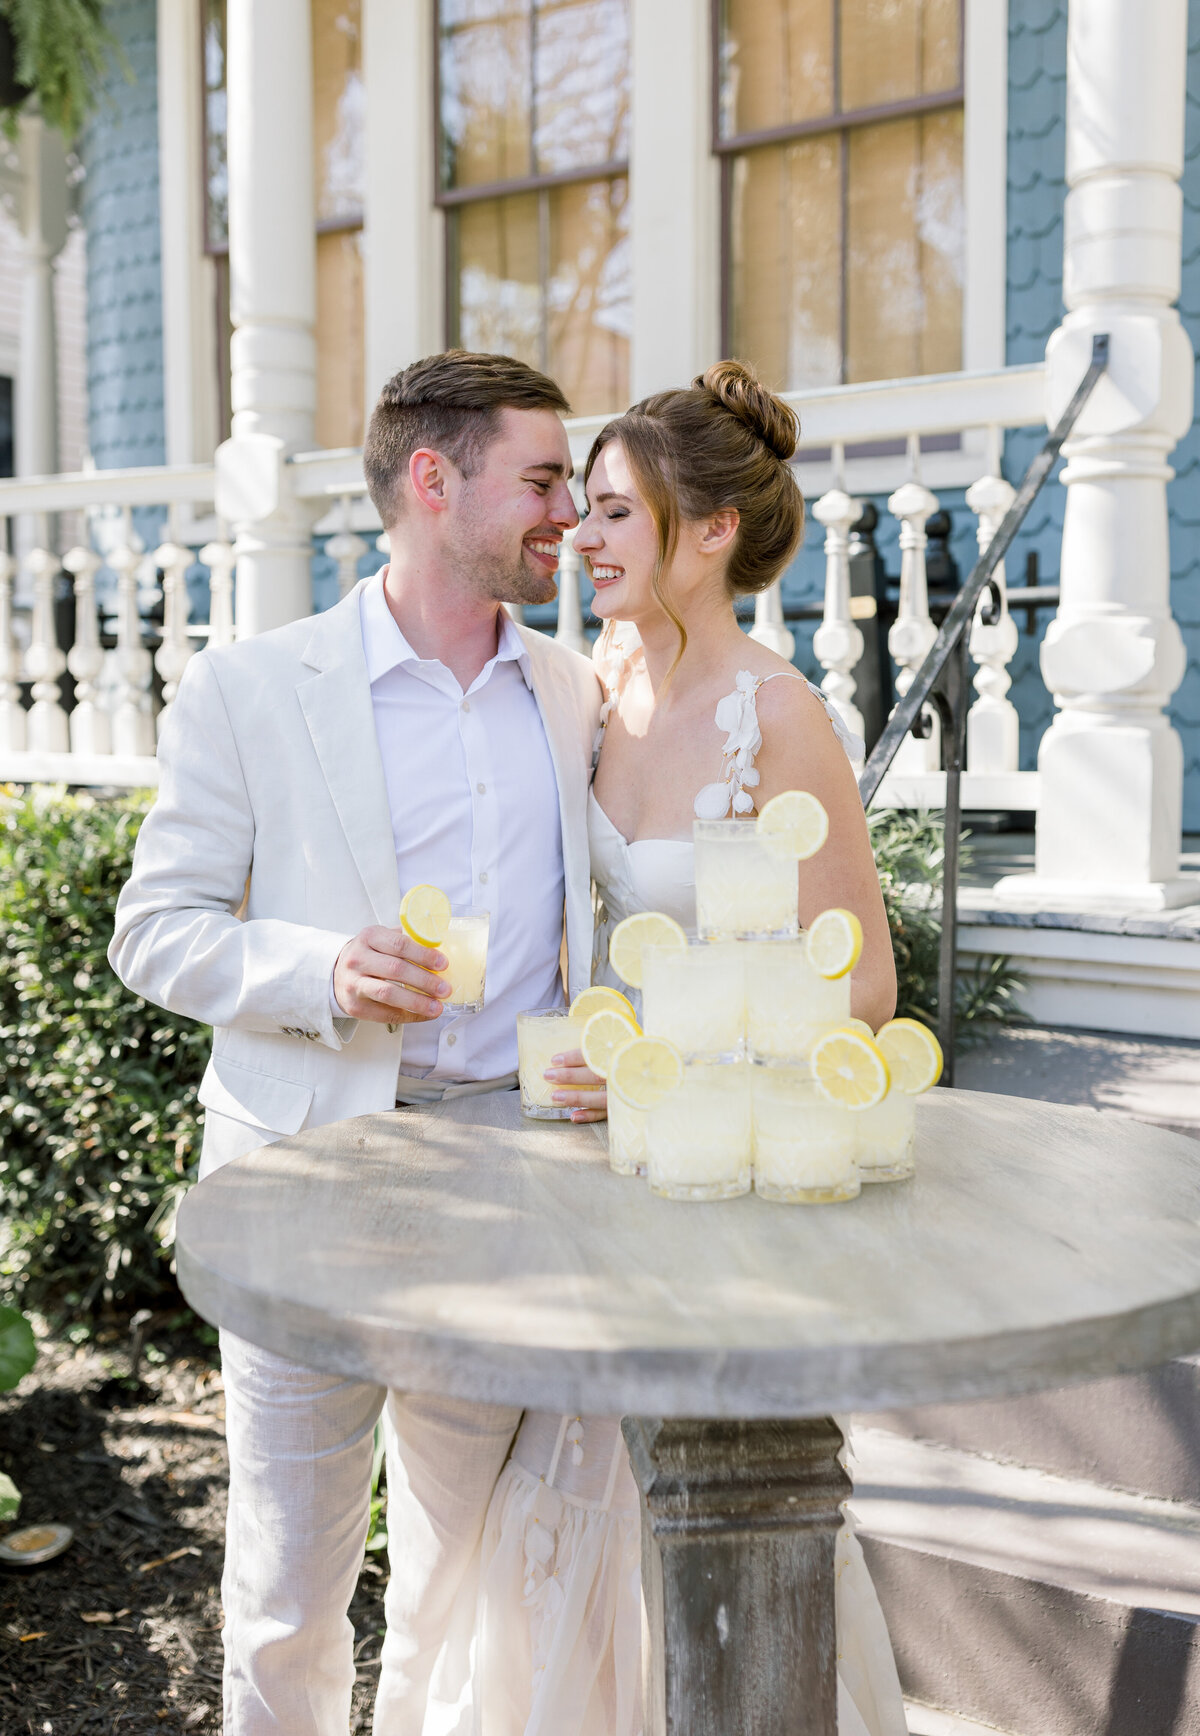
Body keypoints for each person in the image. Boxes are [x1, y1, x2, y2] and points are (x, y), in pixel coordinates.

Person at [108, 350, 602, 1736]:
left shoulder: (570, 695)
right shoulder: (253, 687)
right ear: (435, 481)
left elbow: (601, 925)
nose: (568, 509)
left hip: (508, 1176)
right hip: (308, 1179)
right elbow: (155, 931)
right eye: (545, 478)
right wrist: (323, 968)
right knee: (285, 1586)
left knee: (465, 1573)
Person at [424, 360, 905, 1736]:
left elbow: (863, 984)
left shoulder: (783, 717)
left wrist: (687, 1064)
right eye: (581, 507)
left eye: (617, 513)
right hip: (597, 1168)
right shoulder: (585, 690)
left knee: (708, 1503)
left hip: (724, 1181)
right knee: (574, 1503)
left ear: (710, 534)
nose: (582, 536)